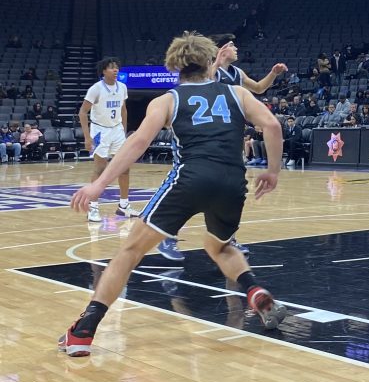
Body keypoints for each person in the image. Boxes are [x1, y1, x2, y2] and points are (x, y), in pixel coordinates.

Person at [60, 32, 287, 357]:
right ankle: (255, 292)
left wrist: (99, 185)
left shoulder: (167, 100)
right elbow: (273, 126)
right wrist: (273, 172)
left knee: (129, 251)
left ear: (174, 67)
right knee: (219, 246)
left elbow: (137, 143)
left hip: (190, 177)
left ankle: (83, 331)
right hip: (232, 180)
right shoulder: (237, 93)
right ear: (211, 63)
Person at [209, 34, 289, 257]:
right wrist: (215, 59)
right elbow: (203, 81)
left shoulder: (238, 73)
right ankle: (169, 230)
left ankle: (228, 238)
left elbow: (259, 88)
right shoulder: (210, 70)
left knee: (232, 190)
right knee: (207, 188)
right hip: (210, 135)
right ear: (222, 49)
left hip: (233, 134)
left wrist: (273, 73)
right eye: (232, 45)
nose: (236, 49)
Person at [79, 58, 131, 223]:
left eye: (116, 67)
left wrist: (123, 129)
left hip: (117, 131)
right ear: (103, 71)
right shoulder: (96, 89)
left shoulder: (122, 87)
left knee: (124, 168)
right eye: (111, 68)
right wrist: (87, 137)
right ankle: (93, 207)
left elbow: (123, 109)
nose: (115, 70)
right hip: (100, 131)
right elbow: (82, 112)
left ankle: (124, 206)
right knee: (100, 169)